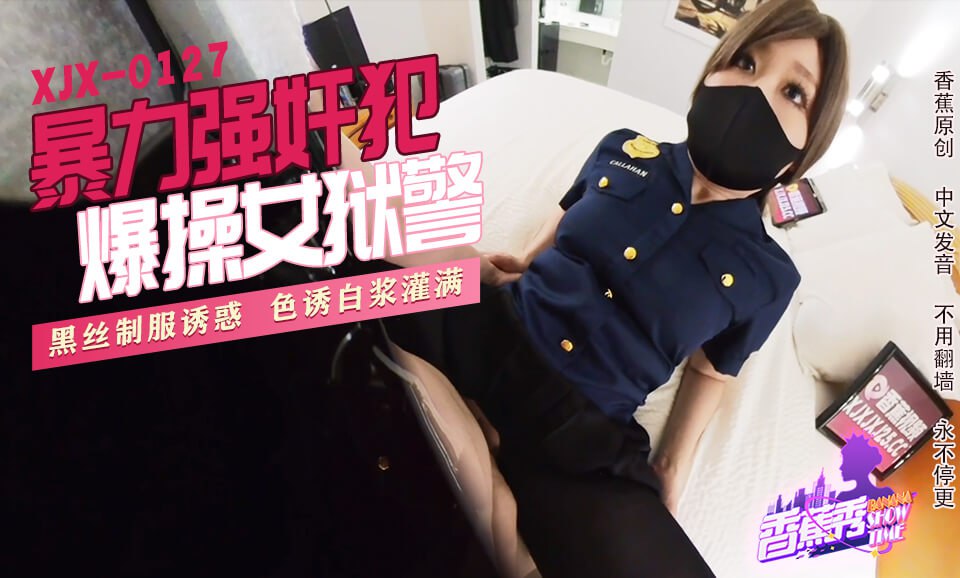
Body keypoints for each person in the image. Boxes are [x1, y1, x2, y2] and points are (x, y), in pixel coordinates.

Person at [360, 1, 851, 575]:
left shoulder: (770, 276)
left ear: (807, 148)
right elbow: (563, 220)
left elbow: (711, 371)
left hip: (584, 432)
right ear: (713, 71)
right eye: (745, 62)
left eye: (794, 92)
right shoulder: (622, 149)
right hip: (500, 330)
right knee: (345, 238)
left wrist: (671, 468)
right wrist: (516, 261)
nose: (757, 92)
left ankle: (472, 464)